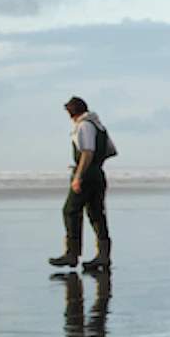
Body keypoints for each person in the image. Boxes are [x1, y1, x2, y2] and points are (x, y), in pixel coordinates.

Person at [48, 97, 114, 270]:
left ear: (72, 112)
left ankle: (72, 254)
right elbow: (111, 150)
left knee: (70, 210)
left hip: (87, 174)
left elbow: (87, 152)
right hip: (98, 173)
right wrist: (97, 165)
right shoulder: (99, 126)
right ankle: (103, 256)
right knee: (97, 214)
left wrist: (79, 175)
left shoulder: (84, 125)